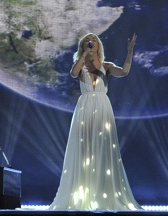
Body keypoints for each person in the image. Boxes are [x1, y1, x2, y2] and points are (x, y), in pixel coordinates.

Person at [49, 33, 140, 211]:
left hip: (102, 107)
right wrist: (83, 56)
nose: (91, 43)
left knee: (102, 148)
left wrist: (129, 52)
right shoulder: (81, 66)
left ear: (98, 45)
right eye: (87, 41)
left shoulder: (106, 66)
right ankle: (83, 194)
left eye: (94, 41)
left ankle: (102, 193)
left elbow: (124, 72)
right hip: (85, 107)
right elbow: (73, 73)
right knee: (83, 149)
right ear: (83, 45)